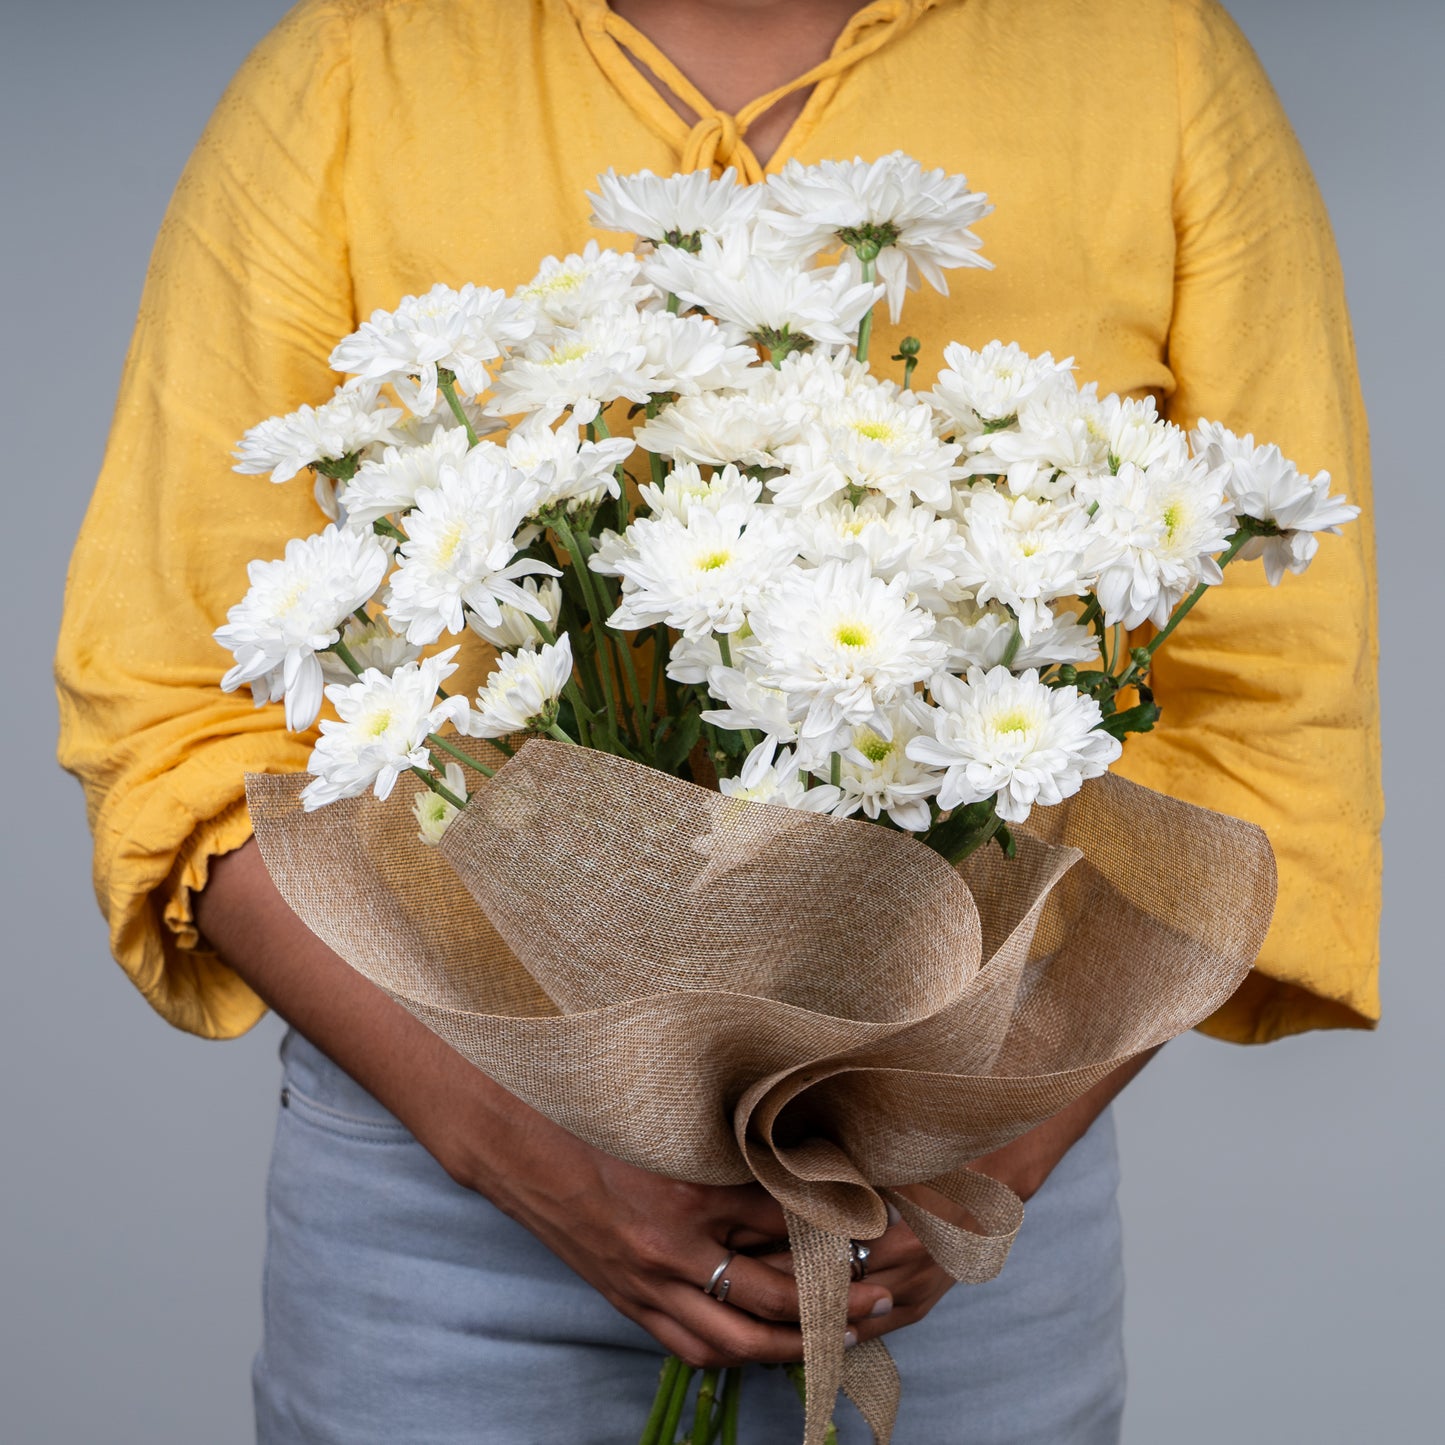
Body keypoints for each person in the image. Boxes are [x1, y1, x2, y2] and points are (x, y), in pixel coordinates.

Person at [54, 1, 1381, 1441]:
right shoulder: (354, 69)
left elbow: (1270, 719)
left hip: (954, 1213)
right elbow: (177, 709)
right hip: (446, 1208)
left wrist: (980, 1160)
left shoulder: (1155, 61)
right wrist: (530, 1154)